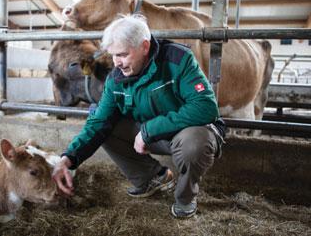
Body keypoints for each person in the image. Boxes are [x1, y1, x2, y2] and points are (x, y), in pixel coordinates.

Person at [52, 14, 225, 218]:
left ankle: (186, 198)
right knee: (104, 125)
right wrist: (67, 158)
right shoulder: (116, 79)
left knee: (194, 143)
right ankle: (153, 178)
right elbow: (98, 123)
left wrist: (149, 131)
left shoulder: (178, 59)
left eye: (123, 54)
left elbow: (205, 107)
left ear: (144, 46)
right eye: (114, 55)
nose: (117, 62)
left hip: (184, 133)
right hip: (150, 135)